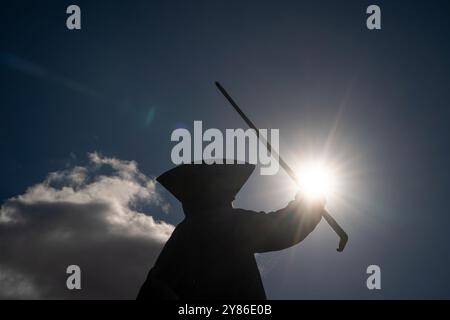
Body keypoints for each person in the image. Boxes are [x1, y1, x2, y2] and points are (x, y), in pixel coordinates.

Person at [137, 161, 324, 300]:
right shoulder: (224, 222)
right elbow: (284, 227)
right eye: (229, 194)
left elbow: (154, 288)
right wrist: (310, 201)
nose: (233, 198)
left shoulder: (182, 232)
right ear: (217, 194)